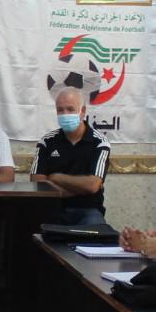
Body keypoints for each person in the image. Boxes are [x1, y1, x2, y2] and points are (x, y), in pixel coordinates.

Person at [32, 87, 112, 225]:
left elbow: (92, 185)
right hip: (53, 208)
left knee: (95, 235)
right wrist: (79, 189)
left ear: (83, 112)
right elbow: (37, 181)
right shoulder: (47, 141)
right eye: (60, 110)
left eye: (70, 109)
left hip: (88, 210)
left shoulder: (99, 142)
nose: (65, 114)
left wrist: (56, 177)